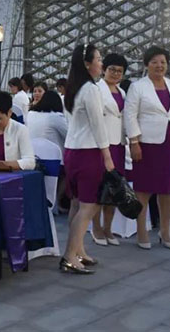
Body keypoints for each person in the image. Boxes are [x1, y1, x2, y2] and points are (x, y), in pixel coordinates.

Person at [123, 45, 170, 250]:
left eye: (163, 62)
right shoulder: (138, 87)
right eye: (154, 62)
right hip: (147, 145)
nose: (159, 66)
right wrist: (134, 142)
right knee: (143, 190)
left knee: (167, 189)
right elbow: (130, 115)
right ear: (147, 65)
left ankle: (165, 231)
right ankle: (142, 232)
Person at [61, 43, 115, 274]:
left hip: (73, 150)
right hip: (88, 152)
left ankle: (78, 250)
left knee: (77, 204)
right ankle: (69, 255)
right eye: (98, 59)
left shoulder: (74, 88)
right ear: (87, 64)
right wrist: (107, 156)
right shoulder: (91, 89)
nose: (101, 63)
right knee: (88, 206)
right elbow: (98, 124)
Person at [90, 53, 128, 246]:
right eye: (112, 69)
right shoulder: (96, 90)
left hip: (119, 145)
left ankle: (108, 228)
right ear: (104, 69)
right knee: (99, 188)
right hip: (102, 144)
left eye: (120, 71)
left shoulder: (122, 93)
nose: (115, 74)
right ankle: (96, 227)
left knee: (114, 188)